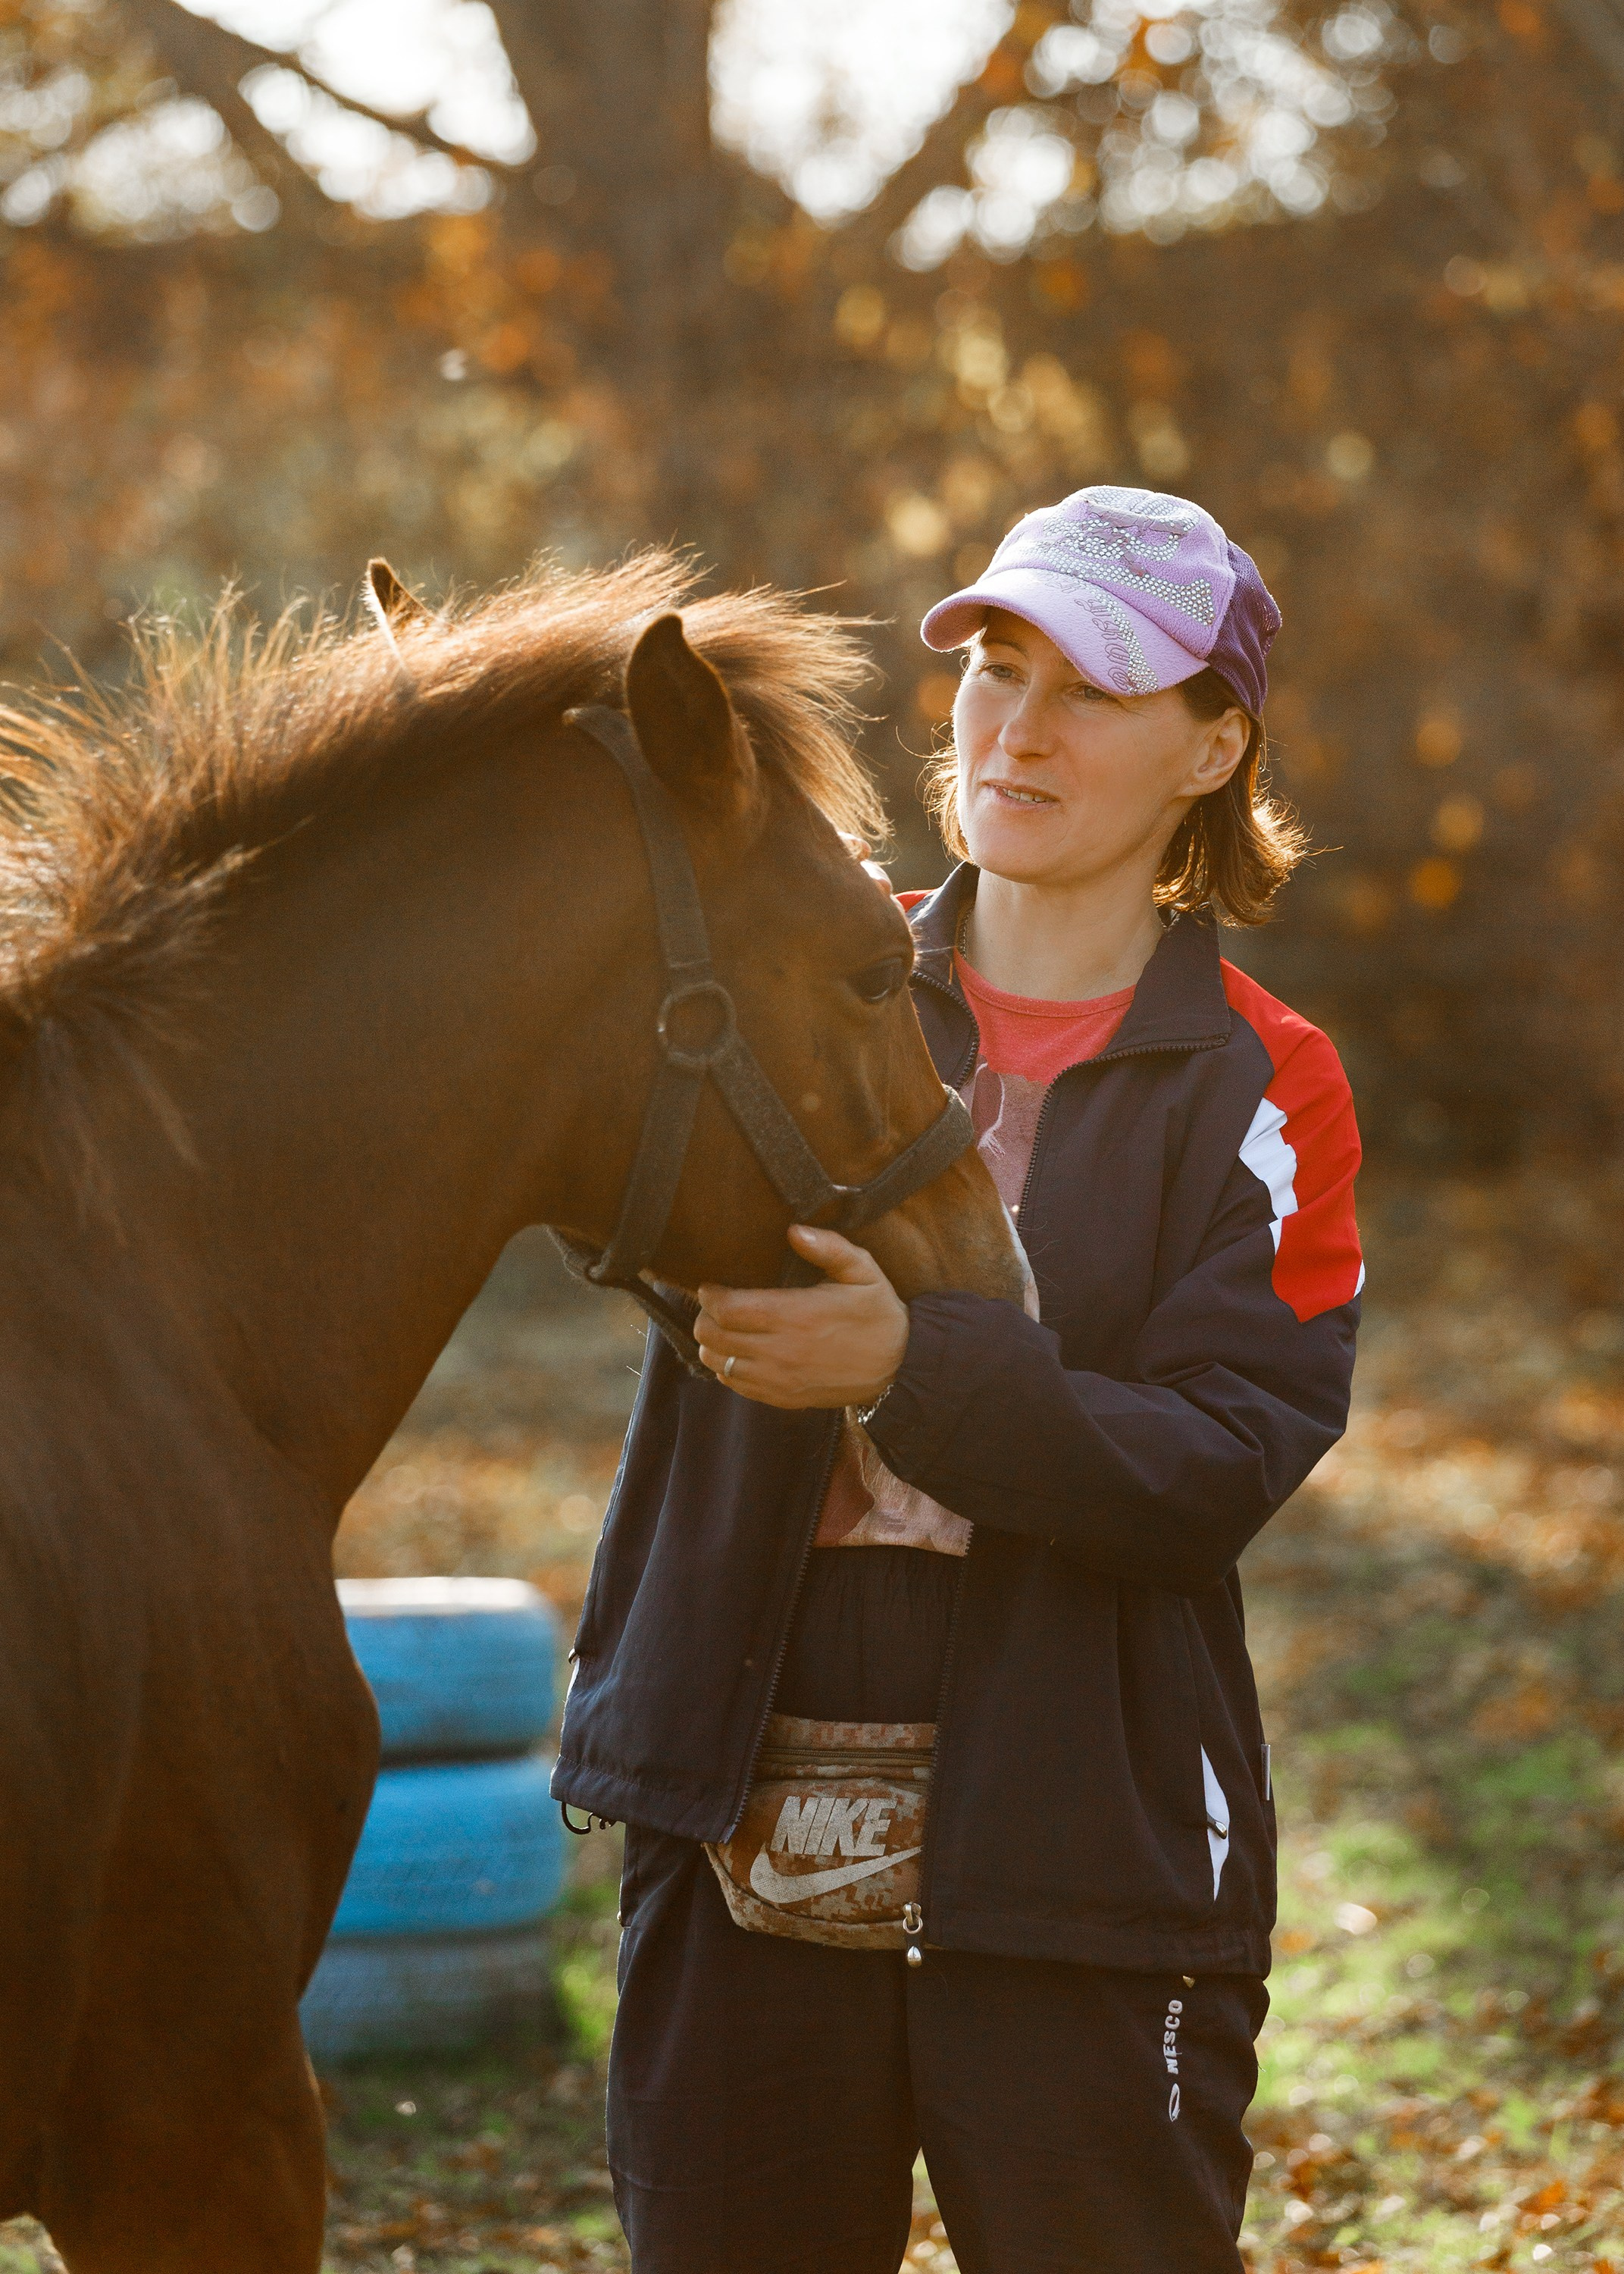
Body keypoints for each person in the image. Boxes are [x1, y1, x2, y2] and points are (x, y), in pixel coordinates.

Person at [553, 484, 1363, 2274]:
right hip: (732, 1773)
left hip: (1086, 1817)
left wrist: (915, 1365)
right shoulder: (774, 986)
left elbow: (1217, 1463)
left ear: (1212, 743)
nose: (1020, 722)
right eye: (996, 666)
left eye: (1092, 686)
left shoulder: (1267, 1086)